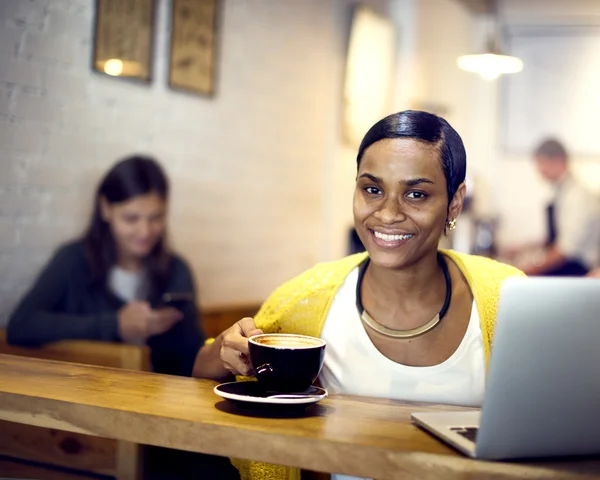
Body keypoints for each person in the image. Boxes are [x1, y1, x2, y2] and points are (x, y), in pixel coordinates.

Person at [192, 110, 524, 480]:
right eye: (372, 189)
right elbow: (205, 373)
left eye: (416, 194)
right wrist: (227, 346)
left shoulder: (508, 301)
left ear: (454, 202)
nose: (387, 213)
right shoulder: (307, 300)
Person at [6, 155, 239, 479]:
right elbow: (21, 325)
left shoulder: (175, 270)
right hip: (89, 421)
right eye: (131, 218)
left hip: (164, 419)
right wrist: (114, 324)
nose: (145, 231)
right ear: (106, 210)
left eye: (155, 218)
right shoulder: (73, 262)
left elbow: (191, 358)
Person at [506, 139, 600, 276]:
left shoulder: (576, 197)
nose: (539, 171)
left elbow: (565, 251)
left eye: (541, 164)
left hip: (578, 271)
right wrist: (524, 247)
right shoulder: (563, 192)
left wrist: (524, 271)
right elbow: (555, 239)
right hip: (568, 265)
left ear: (558, 160)